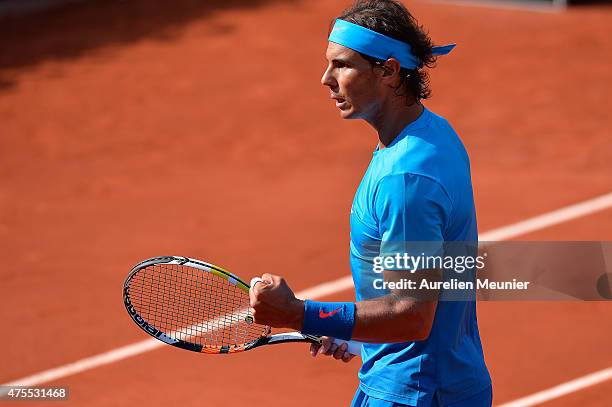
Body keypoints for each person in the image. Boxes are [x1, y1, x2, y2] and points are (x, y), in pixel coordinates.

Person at [249, 1, 492, 405]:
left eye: (342, 65)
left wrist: (300, 314)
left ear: (389, 70)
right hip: (427, 378)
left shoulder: (404, 180)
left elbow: (412, 315)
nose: (326, 79)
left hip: (415, 392)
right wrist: (353, 331)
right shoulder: (434, 134)